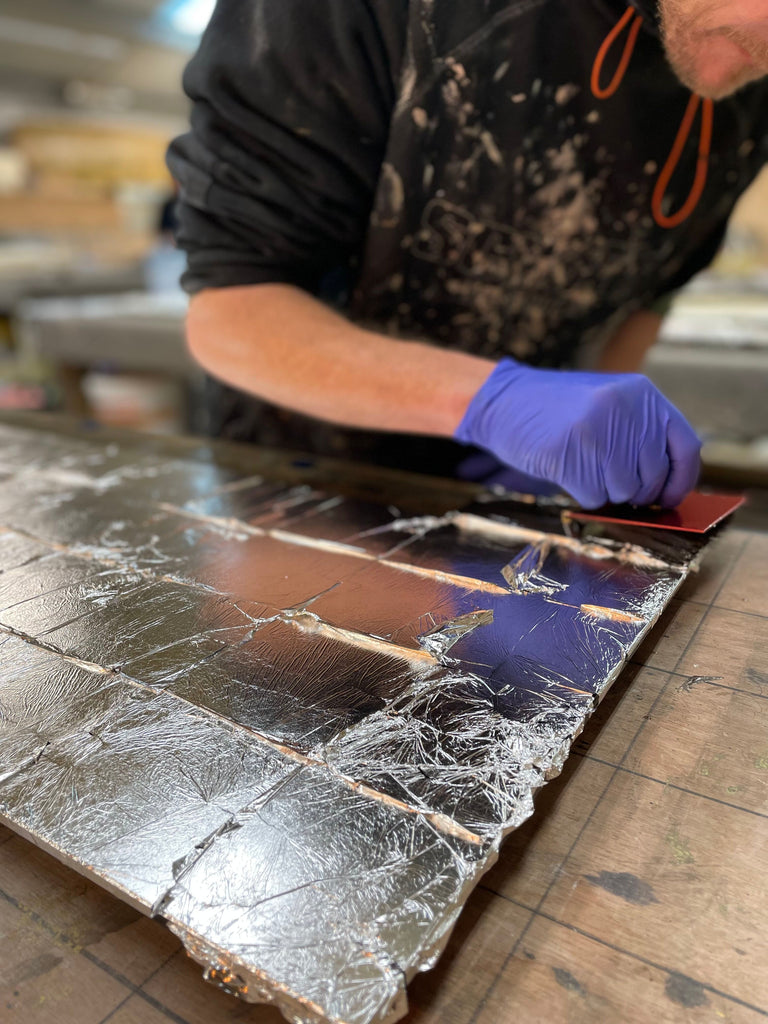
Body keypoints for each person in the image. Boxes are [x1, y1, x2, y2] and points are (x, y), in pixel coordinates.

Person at [167, 0, 768, 508]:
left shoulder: (752, 78)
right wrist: (491, 404)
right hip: (303, 489)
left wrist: (597, 428)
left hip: (515, 497)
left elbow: (655, 286)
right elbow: (231, 309)